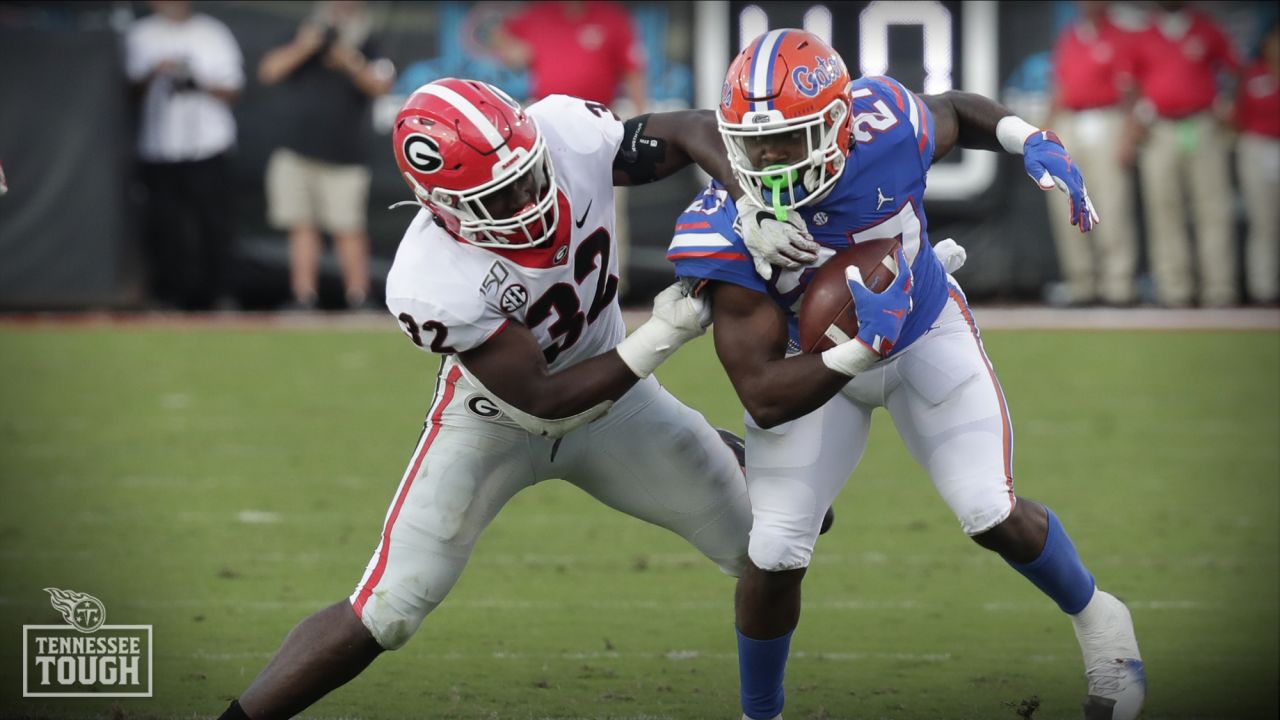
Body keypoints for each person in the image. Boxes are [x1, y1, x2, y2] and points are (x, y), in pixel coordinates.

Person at [215, 78, 760, 720]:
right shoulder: (429, 277)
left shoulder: (564, 130)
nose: (528, 201)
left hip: (621, 405)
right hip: (495, 422)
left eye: (530, 176)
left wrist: (750, 199)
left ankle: (764, 697)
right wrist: (663, 335)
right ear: (438, 205)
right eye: (499, 196)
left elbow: (693, 126)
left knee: (770, 546)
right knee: (389, 608)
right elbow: (542, 401)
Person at [665, 30, 1144, 720]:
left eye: (789, 140)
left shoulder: (885, 124)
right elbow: (764, 398)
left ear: (838, 124)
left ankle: (1105, 624)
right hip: (814, 369)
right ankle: (759, 713)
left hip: (923, 329)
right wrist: (862, 347)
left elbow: (954, 109)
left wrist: (1029, 138)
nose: (768, 162)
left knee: (987, 508)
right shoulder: (723, 227)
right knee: (773, 550)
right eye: (755, 143)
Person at [490, 0, 649, 297]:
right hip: (546, 131)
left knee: (607, 207)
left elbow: (634, 71)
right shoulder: (541, 13)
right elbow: (499, 35)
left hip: (599, 128)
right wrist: (514, 54)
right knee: (544, 205)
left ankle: (612, 288)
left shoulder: (610, 16)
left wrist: (641, 123)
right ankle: (543, 285)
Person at [258, 0, 395, 311]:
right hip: (297, 149)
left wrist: (348, 60)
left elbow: (380, 84)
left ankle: (358, 297)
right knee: (301, 225)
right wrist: (305, 46)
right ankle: (303, 296)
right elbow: (269, 71)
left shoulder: (370, 41)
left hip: (345, 156)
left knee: (348, 227)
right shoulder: (303, 33)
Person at [124, 0, 243, 310]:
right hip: (159, 146)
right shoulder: (139, 35)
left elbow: (234, 89)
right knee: (165, 226)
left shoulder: (212, 33)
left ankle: (218, 296)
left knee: (214, 224)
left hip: (208, 144)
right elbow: (124, 92)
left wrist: (197, 81)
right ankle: (168, 297)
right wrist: (155, 71)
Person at [1122, 1, 1240, 307]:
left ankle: (1219, 288)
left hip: (1201, 124)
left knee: (1213, 208)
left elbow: (1235, 69)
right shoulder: (1145, 33)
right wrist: (1134, 122)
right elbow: (1129, 83)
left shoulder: (1205, 27)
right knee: (1164, 209)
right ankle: (1174, 290)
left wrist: (1227, 105)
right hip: (1159, 129)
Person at [1046, 0, 1139, 306]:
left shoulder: (1120, 35)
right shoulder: (1070, 35)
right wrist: (1044, 135)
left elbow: (1131, 92)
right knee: (1067, 204)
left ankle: (1118, 285)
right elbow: (1059, 87)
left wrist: (1128, 134)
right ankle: (1081, 283)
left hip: (1107, 119)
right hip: (1071, 122)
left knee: (1111, 204)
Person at [1234, 22, 1279, 306]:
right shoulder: (1254, 76)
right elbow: (1239, 115)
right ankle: (1264, 289)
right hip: (1259, 147)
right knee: (1263, 223)